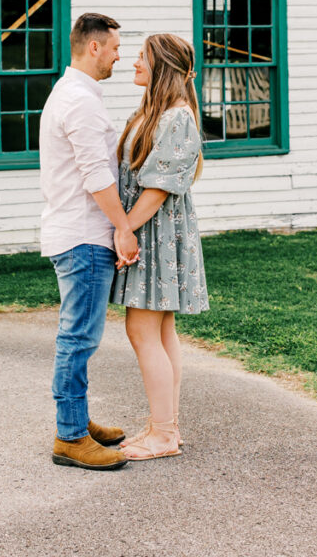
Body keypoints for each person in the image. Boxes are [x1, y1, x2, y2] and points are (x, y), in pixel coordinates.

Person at [39, 12, 140, 471]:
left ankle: (76, 419)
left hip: (78, 233)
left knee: (80, 336)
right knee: (78, 337)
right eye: (115, 48)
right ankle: (70, 437)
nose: (119, 56)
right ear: (94, 47)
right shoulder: (79, 100)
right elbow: (96, 174)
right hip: (83, 236)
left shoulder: (76, 94)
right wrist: (123, 227)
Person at [110, 33, 209, 460]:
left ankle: (164, 435)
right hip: (151, 230)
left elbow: (158, 188)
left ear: (162, 67)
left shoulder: (177, 117)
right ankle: (164, 426)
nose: (134, 63)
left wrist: (124, 229)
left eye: (142, 58)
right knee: (161, 329)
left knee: (142, 330)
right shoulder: (155, 112)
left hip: (155, 232)